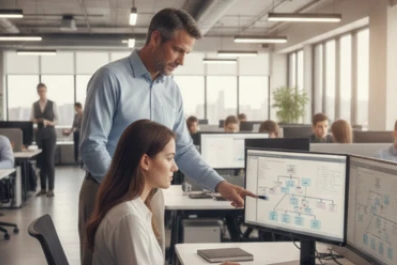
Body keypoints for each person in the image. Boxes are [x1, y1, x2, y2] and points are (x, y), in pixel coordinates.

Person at [78, 8, 255, 265]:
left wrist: (221, 185)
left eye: (187, 53)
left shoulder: (172, 91)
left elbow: (182, 149)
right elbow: (92, 146)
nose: (182, 60)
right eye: (178, 50)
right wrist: (125, 194)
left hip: (150, 195)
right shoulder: (110, 78)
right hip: (105, 190)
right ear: (156, 38)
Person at [86, 120, 238, 265]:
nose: (175, 168)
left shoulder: (136, 208)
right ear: (145, 161)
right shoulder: (129, 218)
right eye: (169, 158)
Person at [33, 83, 59, 198]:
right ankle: (43, 188)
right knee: (41, 162)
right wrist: (37, 120)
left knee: (49, 161)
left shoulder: (52, 104)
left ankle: (51, 188)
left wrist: (49, 122)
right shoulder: (35, 105)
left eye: (43, 91)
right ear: (37, 92)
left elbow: (57, 120)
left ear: (46, 91)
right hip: (39, 135)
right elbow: (31, 119)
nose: (41, 93)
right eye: (40, 91)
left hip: (50, 135)